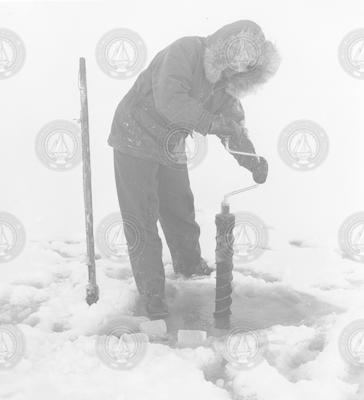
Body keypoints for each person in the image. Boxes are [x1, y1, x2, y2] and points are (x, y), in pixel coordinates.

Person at [108, 20, 280, 319]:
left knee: (179, 207)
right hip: (134, 134)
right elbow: (169, 101)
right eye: (237, 51)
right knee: (142, 217)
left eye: (248, 58)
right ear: (225, 44)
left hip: (170, 143)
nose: (240, 62)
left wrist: (252, 161)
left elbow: (232, 127)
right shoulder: (185, 51)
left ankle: (189, 266)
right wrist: (209, 122)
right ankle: (152, 295)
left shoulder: (227, 86)